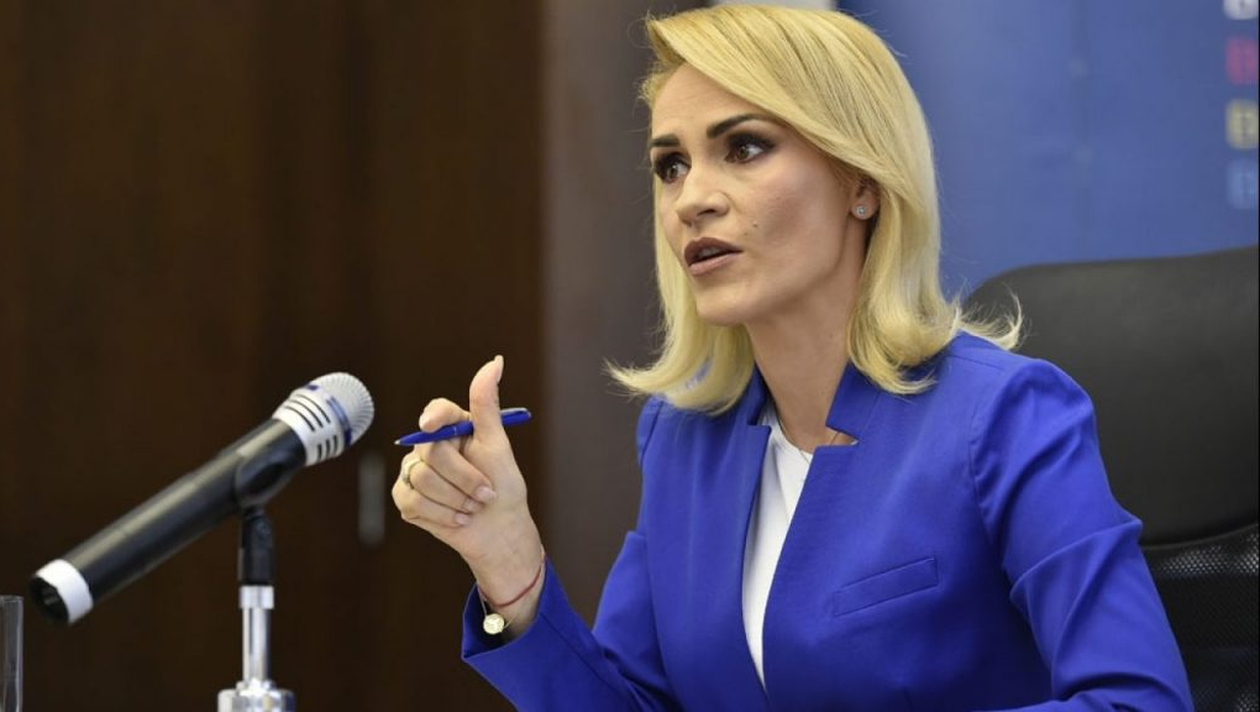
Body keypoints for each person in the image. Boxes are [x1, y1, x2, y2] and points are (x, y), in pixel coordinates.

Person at [392, 5, 1192, 710]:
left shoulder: (1006, 417)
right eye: (671, 165)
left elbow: (1138, 701)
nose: (692, 198)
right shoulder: (681, 440)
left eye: (743, 148)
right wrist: (509, 564)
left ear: (861, 181)